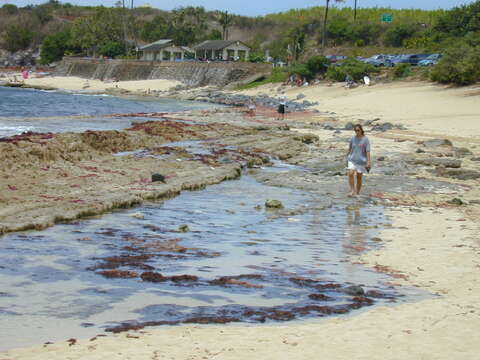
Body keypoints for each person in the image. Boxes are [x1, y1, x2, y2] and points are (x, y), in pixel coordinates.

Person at [346, 124, 371, 196]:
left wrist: (368, 162)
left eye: (358, 130)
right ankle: (352, 190)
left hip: (361, 161)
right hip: (352, 159)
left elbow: (368, 151)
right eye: (355, 130)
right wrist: (347, 157)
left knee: (359, 177)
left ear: (361, 130)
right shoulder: (353, 138)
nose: (357, 132)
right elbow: (350, 148)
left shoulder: (365, 139)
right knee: (350, 173)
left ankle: (357, 193)